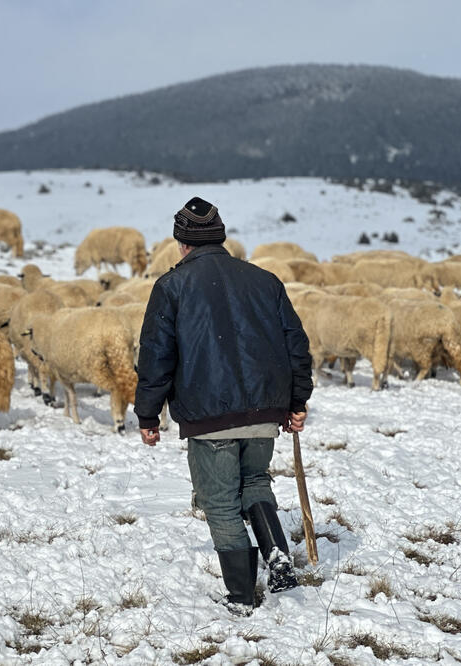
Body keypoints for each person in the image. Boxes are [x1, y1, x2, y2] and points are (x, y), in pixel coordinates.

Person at [134, 197, 313, 617]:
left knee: (219, 503)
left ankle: (240, 595)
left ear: (182, 243)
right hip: (265, 411)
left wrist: (148, 413)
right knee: (254, 479)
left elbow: (156, 355)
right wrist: (297, 401)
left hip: (209, 413)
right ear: (221, 237)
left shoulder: (171, 286)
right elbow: (296, 345)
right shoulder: (265, 280)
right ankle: (277, 555)